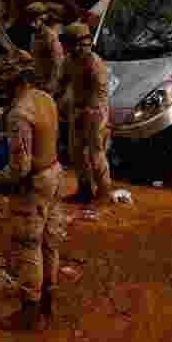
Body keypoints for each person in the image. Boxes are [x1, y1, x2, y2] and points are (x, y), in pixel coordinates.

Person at [0, 62, 65, 331]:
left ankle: (30, 310)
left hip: (34, 185)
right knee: (50, 241)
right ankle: (48, 300)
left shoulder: (19, 113)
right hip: (54, 173)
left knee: (29, 245)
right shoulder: (45, 98)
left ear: (16, 82)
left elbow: (20, 167)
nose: (2, 89)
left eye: (5, 83)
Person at [57, 22, 111, 205]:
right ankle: (84, 190)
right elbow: (60, 83)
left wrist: (87, 113)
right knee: (76, 153)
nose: (72, 49)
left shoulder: (95, 64)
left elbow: (99, 94)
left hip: (95, 111)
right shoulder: (69, 61)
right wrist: (52, 98)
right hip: (78, 109)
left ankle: (104, 191)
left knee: (96, 154)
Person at [25, 2, 65, 96]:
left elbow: (58, 64)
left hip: (49, 86)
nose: (31, 23)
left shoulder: (50, 37)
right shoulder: (34, 36)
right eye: (29, 20)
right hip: (38, 82)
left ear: (42, 19)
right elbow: (35, 58)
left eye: (34, 20)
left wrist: (50, 87)